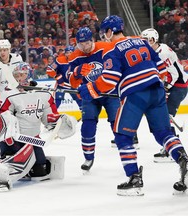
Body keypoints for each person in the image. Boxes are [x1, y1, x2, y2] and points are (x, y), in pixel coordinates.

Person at [78, 15, 188, 196]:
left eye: (104, 32)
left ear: (109, 31)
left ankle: (134, 178)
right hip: (157, 90)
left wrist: (89, 88)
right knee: (163, 133)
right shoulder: (141, 41)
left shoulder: (112, 51)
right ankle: (183, 160)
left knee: (122, 136)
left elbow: (108, 80)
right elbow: (161, 67)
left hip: (136, 94)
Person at [0, 62, 76, 191]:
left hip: (32, 139)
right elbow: (1, 118)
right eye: (17, 75)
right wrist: (6, 136)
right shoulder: (8, 95)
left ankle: (25, 168)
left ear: (30, 75)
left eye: (23, 74)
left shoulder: (44, 95)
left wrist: (61, 121)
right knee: (13, 163)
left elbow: (49, 118)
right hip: (13, 139)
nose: (19, 78)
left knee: (40, 171)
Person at [67, 27, 120, 172]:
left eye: (86, 43)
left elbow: (117, 68)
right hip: (89, 96)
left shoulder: (106, 47)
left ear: (92, 40)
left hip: (110, 93)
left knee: (117, 125)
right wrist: (76, 73)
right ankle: (88, 158)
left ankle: (125, 154)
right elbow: (72, 82)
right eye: (80, 44)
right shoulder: (74, 56)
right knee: (88, 126)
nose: (84, 47)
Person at [141, 28, 188, 163]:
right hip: (175, 86)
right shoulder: (158, 50)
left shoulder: (163, 53)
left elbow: (174, 75)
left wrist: (165, 88)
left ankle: (173, 150)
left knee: (165, 118)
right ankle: (171, 147)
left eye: (148, 40)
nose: (145, 43)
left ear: (154, 40)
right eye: (144, 40)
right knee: (164, 117)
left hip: (178, 87)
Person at [46, 45, 82, 110]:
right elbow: (49, 70)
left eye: (70, 52)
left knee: (80, 101)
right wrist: (57, 77)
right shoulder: (60, 60)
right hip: (61, 85)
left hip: (73, 85)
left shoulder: (78, 60)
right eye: (67, 52)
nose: (68, 54)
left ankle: (85, 114)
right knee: (57, 102)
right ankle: (52, 114)